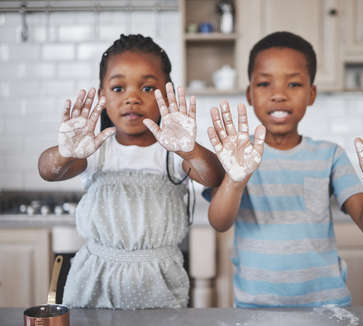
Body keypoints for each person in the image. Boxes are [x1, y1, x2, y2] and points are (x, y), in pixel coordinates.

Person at [204, 31, 363, 308]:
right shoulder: (237, 157)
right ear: (249, 93)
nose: (279, 95)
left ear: (312, 93)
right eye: (264, 84)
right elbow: (219, 222)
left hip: (326, 304)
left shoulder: (330, 155)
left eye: (294, 84)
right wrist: (235, 180)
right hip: (256, 305)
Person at [38, 34, 224, 309]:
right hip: (94, 278)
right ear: (101, 95)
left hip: (159, 281)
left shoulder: (173, 152)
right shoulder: (95, 149)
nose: (132, 98)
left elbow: (213, 176)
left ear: (167, 94)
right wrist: (66, 152)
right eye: (118, 88)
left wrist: (190, 149)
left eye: (147, 88)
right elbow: (49, 170)